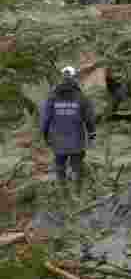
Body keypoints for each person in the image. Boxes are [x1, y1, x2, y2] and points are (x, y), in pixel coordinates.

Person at [40, 66, 96, 196]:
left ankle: (63, 193)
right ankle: (77, 194)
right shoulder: (81, 96)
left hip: (58, 140)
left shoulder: (52, 96)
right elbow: (89, 119)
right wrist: (92, 134)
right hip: (77, 140)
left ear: (62, 78)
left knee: (60, 167)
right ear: (74, 77)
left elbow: (45, 119)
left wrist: (45, 136)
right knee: (77, 166)